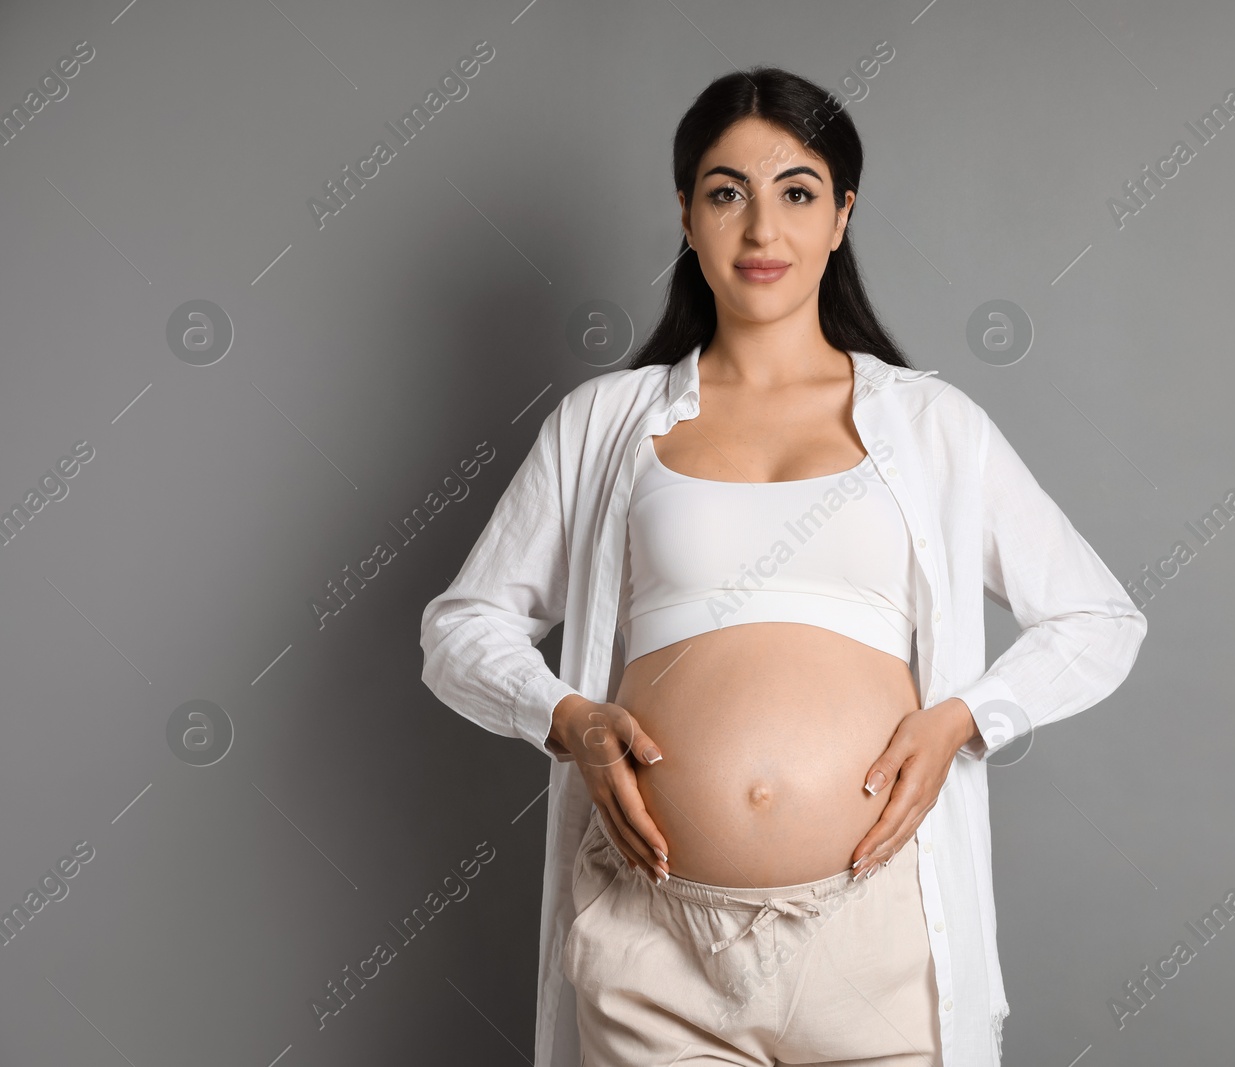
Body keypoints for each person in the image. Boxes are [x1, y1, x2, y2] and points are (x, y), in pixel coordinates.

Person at [419, 65, 1147, 1067]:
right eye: (727, 192)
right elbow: (461, 628)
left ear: (842, 214)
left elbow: (1098, 618)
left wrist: (962, 722)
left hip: (881, 943)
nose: (762, 229)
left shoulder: (932, 426)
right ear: (686, 213)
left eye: (796, 192)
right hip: (652, 947)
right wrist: (570, 719)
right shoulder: (605, 423)